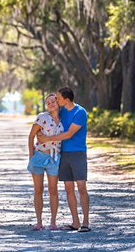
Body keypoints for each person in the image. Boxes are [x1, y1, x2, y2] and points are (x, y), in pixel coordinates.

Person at [38, 86, 90, 232]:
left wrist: (48, 138)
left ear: (66, 100)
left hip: (78, 153)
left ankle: (85, 222)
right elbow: (49, 117)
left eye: (58, 98)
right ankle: (76, 222)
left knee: (81, 188)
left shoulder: (80, 112)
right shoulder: (61, 112)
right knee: (68, 188)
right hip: (63, 154)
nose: (57, 100)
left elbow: (68, 134)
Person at [27, 93, 64, 231]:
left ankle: (53, 222)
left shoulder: (63, 119)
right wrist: (31, 156)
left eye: (53, 101)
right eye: (48, 102)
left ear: (58, 102)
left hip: (54, 158)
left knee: (53, 190)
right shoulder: (42, 117)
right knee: (38, 190)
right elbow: (31, 136)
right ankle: (39, 222)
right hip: (39, 156)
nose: (51, 104)